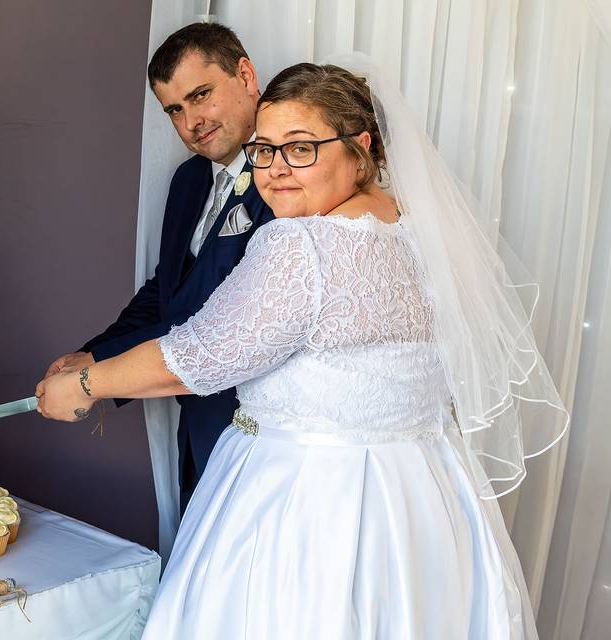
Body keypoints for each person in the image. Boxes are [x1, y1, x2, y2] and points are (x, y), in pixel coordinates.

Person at [36, 58, 568, 638]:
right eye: (265, 150)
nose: (275, 169)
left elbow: (195, 360)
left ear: (359, 148)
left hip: (308, 503)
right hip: (424, 501)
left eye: (300, 148)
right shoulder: (421, 233)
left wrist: (85, 385)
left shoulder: (300, 245)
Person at [41, 22, 274, 511]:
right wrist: (95, 351)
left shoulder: (286, 182)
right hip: (197, 425)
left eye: (201, 95)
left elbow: (212, 314)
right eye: (175, 110)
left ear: (247, 76)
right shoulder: (189, 180)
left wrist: (98, 372)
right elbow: (167, 292)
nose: (192, 122)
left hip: (260, 435)